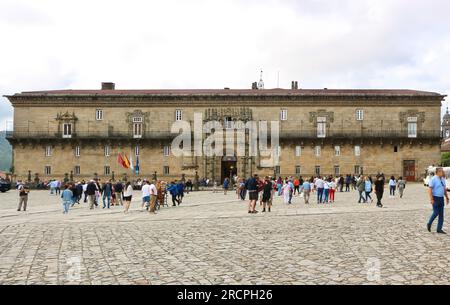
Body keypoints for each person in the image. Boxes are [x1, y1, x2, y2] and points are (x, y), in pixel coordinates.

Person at [427, 168, 449, 234]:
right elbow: (430, 189)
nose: (443, 172)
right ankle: (429, 223)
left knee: (441, 214)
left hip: (441, 198)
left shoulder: (443, 179)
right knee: (436, 212)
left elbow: (444, 189)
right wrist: (431, 199)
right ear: (438, 172)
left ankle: (439, 229)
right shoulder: (433, 179)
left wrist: (447, 197)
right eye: (442, 171)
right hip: (435, 198)